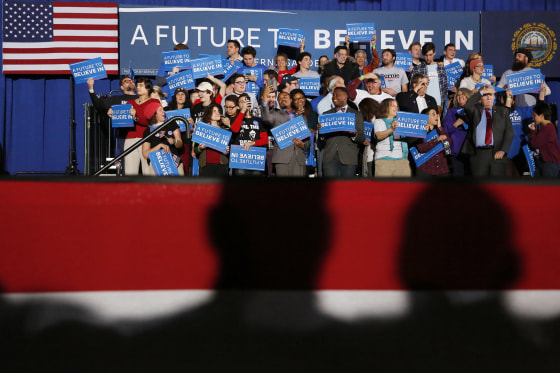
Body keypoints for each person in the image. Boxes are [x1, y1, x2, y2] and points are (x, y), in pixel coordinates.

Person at [110, 77, 161, 175]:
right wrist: (114, 113)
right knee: (130, 172)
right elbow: (123, 120)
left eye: (141, 85)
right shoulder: (130, 103)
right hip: (130, 139)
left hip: (147, 140)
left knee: (148, 171)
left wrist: (136, 117)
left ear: (148, 88)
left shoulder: (154, 102)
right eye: (137, 85)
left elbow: (154, 122)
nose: (138, 87)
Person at [462, 85, 514, 177]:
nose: (488, 97)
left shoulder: (502, 111)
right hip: (478, 155)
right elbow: (467, 106)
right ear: (480, 99)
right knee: (479, 186)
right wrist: (481, 92)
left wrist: (503, 150)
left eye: (491, 94)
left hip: (497, 153)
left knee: (497, 186)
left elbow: (509, 133)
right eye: (485, 95)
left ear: (494, 97)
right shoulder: (476, 111)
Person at [261, 88, 315, 177]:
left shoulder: (301, 116)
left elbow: (307, 139)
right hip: (282, 159)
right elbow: (266, 118)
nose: (282, 99)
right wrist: (264, 100)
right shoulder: (274, 114)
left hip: (299, 158)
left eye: (285, 96)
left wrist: (304, 145)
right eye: (280, 99)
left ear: (291, 100)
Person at [318, 87, 365, 177]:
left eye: (337, 95)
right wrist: (321, 133)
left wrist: (354, 134)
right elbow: (321, 141)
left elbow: (362, 138)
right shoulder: (326, 115)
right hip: (329, 158)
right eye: (333, 95)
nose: (333, 97)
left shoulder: (356, 114)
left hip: (349, 158)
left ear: (345, 97)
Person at [230, 93, 269, 176]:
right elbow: (235, 129)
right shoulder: (234, 119)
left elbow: (265, 140)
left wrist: (252, 143)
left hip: (255, 158)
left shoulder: (258, 120)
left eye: (246, 101)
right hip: (240, 158)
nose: (245, 103)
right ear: (238, 106)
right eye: (242, 102)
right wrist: (242, 111)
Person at [142, 103, 184, 176]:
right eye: (160, 110)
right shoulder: (147, 132)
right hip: (157, 165)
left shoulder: (171, 123)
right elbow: (145, 154)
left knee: (180, 186)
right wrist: (159, 146)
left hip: (175, 162)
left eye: (163, 109)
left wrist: (174, 141)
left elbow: (180, 143)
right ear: (154, 114)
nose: (164, 112)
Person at [373, 98, 411, 177]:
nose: (396, 108)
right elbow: (379, 136)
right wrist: (392, 129)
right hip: (384, 159)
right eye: (393, 106)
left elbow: (409, 139)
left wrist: (421, 131)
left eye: (397, 106)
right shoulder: (379, 121)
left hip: (402, 160)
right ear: (385, 108)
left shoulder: (402, 122)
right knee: (384, 188)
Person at [194, 103, 231, 177]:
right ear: (208, 113)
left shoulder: (225, 131)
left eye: (218, 111)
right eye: (214, 111)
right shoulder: (202, 129)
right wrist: (200, 148)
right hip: (205, 165)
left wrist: (227, 152)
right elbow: (195, 150)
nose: (217, 113)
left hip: (221, 165)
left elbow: (228, 151)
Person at [442, 87, 473, 176]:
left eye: (463, 94)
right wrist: (456, 124)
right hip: (457, 150)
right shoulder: (452, 111)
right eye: (458, 95)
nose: (460, 96)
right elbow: (446, 131)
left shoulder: (475, 110)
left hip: (471, 150)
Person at [410, 42, 448, 112]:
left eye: (430, 55)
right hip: (422, 104)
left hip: (438, 104)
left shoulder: (441, 69)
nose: (428, 58)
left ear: (434, 53)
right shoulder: (417, 69)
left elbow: (445, 88)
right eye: (426, 55)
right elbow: (411, 88)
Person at [414, 107, 452, 178]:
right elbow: (421, 148)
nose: (437, 116)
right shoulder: (420, 131)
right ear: (426, 117)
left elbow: (448, 146)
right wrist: (436, 140)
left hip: (442, 170)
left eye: (437, 114)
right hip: (426, 169)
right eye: (433, 114)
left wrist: (440, 127)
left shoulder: (440, 130)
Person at [528, 102, 560, 177]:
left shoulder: (548, 128)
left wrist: (533, 131)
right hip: (544, 162)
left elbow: (535, 143)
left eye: (534, 115)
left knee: (547, 188)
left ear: (542, 115)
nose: (533, 118)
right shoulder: (545, 128)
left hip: (550, 164)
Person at [358, 98, 381, 177]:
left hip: (373, 156)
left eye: (361, 110)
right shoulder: (372, 120)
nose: (360, 112)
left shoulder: (377, 120)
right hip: (370, 155)